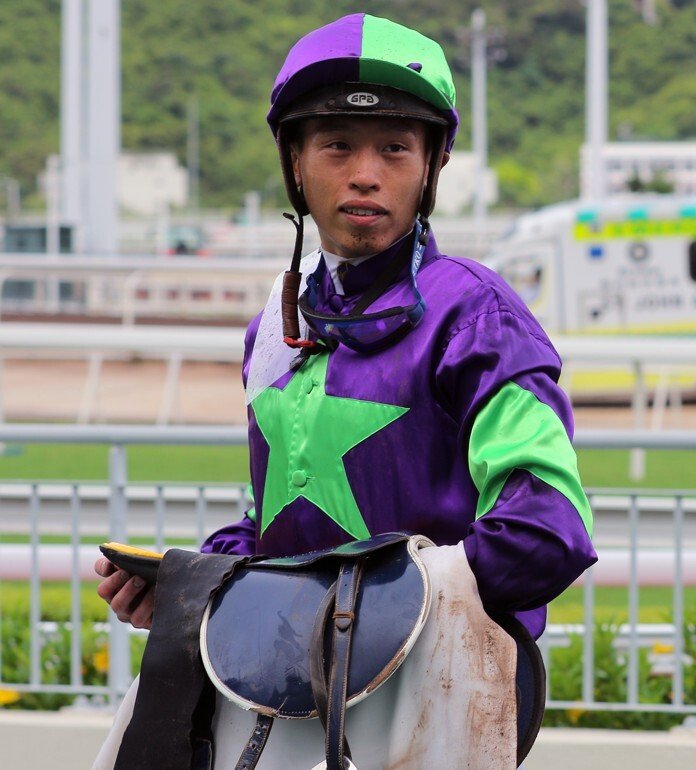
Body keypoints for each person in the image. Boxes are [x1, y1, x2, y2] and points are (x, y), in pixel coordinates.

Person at [95, 13, 596, 642]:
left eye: (394, 148)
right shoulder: (276, 323)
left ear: (431, 165)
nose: (365, 173)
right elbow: (272, 528)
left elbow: (548, 529)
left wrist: (365, 614)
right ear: (295, 163)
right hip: (288, 680)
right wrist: (189, 586)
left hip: (440, 695)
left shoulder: (478, 316)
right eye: (337, 145)